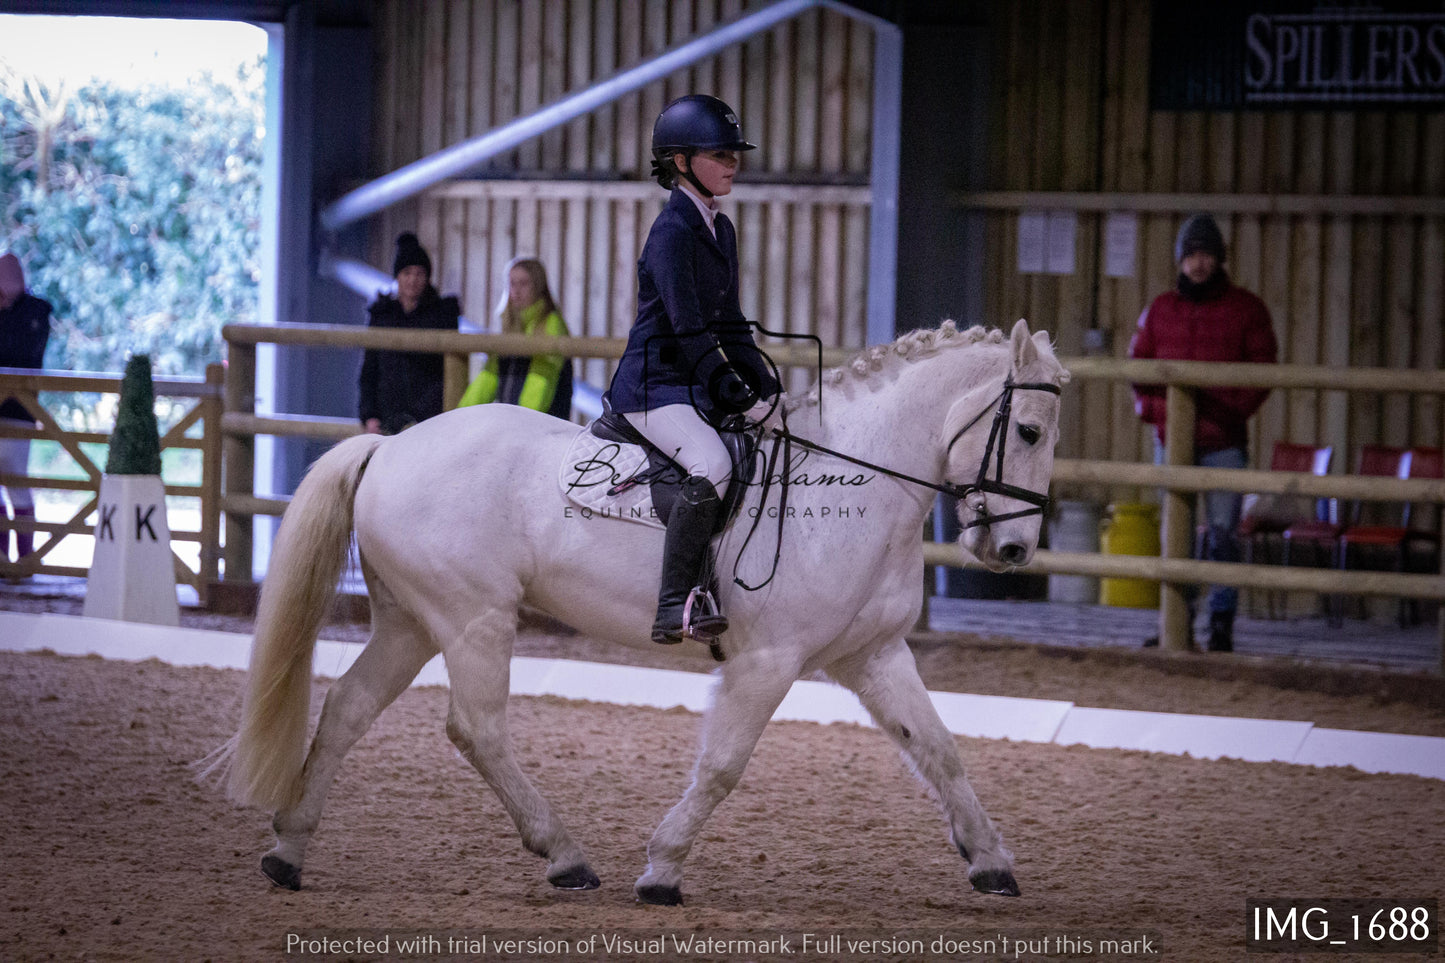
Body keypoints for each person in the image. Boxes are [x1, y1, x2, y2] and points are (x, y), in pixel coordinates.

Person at [607, 94, 780, 646]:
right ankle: (673, 600)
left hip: (689, 387)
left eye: (734, 154)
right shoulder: (671, 233)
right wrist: (733, 391)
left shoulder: (718, 230)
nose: (732, 163)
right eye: (720, 154)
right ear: (681, 162)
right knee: (711, 461)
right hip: (653, 387)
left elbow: (728, 323)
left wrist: (766, 387)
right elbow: (687, 329)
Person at [1129, 213, 1278, 652]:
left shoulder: (1246, 310)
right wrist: (1161, 415)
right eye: (1191, 255)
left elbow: (1262, 372)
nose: (1198, 263)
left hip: (1224, 445)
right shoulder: (1159, 310)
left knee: (1223, 535)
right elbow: (1137, 369)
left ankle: (1221, 625)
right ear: (1180, 260)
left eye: (1206, 254)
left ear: (1219, 259)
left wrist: (1225, 413)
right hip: (1170, 444)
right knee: (1174, 535)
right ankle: (1176, 622)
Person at [358, 232, 461, 435]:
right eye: (407, 273)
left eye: (419, 273)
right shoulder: (382, 315)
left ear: (427, 277)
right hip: (388, 419)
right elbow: (369, 370)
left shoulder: (441, 315)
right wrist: (369, 414)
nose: (413, 280)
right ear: (398, 276)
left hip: (430, 420)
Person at [457, 256, 573, 420]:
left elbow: (541, 380)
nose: (516, 290)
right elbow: (489, 376)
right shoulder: (510, 324)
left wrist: (520, 421)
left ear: (538, 286)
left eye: (524, 283)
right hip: (515, 422)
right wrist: (461, 415)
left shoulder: (551, 324)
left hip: (540, 425)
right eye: (512, 283)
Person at [0, 252, 52, 570]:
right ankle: (5, 559)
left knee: (17, 481)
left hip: (19, 410)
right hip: (18, 409)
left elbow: (22, 356)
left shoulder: (34, 314)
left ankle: (25, 559)